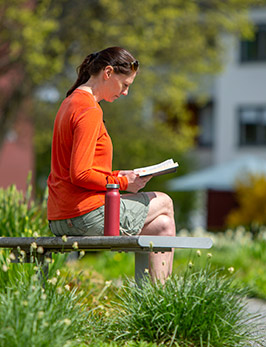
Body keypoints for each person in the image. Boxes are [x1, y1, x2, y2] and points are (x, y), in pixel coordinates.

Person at [47, 47, 176, 282]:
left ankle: (157, 302)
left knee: (163, 226)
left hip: (61, 215)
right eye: (124, 85)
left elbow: (76, 168)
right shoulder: (89, 109)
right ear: (108, 72)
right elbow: (80, 174)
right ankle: (164, 305)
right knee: (165, 201)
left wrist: (118, 174)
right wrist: (124, 182)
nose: (125, 92)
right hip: (82, 215)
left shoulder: (70, 102)